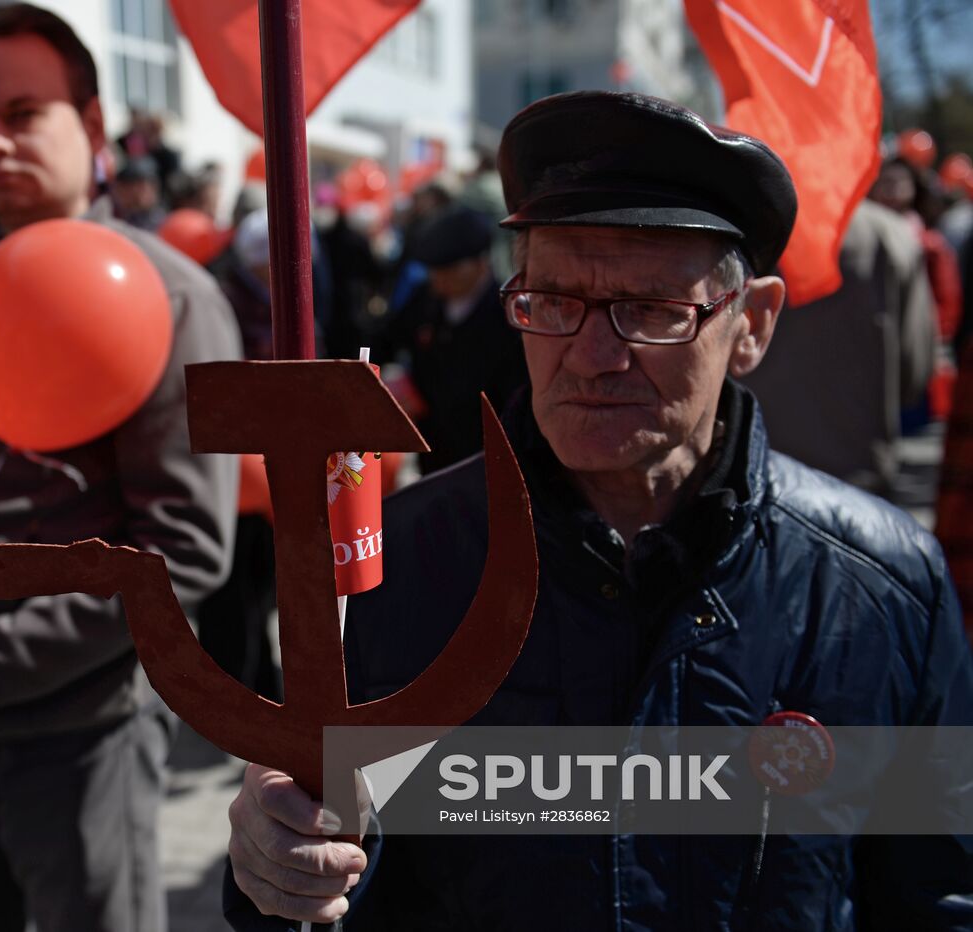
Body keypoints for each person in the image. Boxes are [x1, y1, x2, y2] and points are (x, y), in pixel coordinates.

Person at [223, 91, 973, 929]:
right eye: (553, 302)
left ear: (752, 324)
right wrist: (277, 865)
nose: (591, 355)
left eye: (652, 311)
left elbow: (936, 894)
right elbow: (339, 864)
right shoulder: (394, 568)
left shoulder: (884, 589)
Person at [0, 6, 240, 932]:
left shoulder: (165, 297)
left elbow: (183, 556)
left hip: (80, 736)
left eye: (24, 112)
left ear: (92, 123)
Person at [743, 197, 935, 498]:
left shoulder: (746, 224)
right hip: (857, 466)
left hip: (755, 464)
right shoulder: (890, 233)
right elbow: (916, 367)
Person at [374, 205, 528, 474]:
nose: (439, 280)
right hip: (431, 452)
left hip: (482, 461)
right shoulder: (425, 300)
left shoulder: (508, 319)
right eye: (434, 271)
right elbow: (386, 339)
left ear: (481, 263)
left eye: (449, 270)